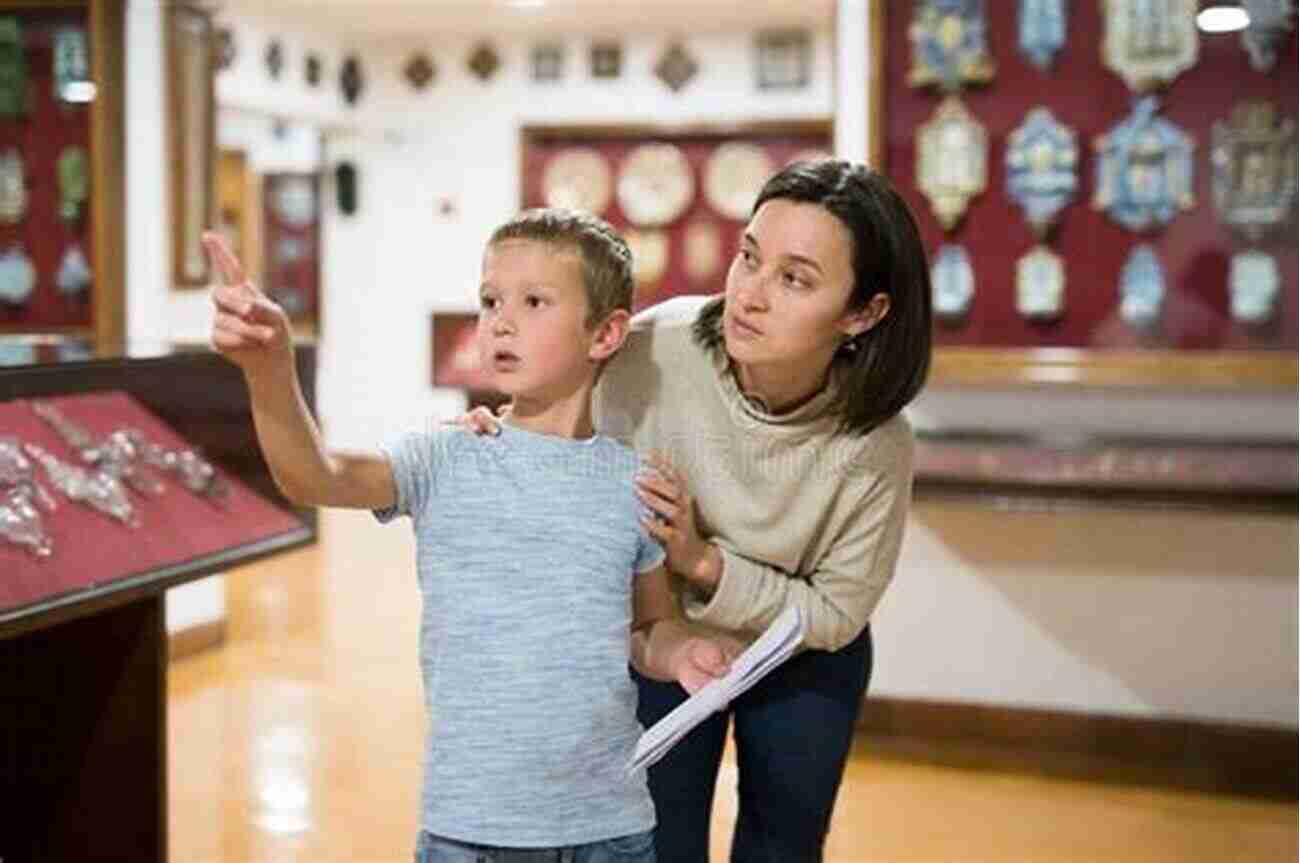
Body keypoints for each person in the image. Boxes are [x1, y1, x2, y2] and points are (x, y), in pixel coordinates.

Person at [203, 208, 736, 863]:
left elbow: (649, 626)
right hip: (472, 832)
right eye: (490, 301)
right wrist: (269, 369)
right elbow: (316, 475)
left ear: (605, 333)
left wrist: (682, 654)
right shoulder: (446, 457)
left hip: (611, 827)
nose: (500, 322)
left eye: (534, 301)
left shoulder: (634, 482)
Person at [465, 159, 932, 861]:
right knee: (654, 842)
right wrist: (488, 438)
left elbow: (836, 611)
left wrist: (704, 560)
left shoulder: (878, 443)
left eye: (794, 278)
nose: (750, 294)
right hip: (663, 628)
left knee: (783, 846)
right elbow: (551, 427)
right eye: (749, 257)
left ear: (864, 313)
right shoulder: (656, 347)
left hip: (801, 654)